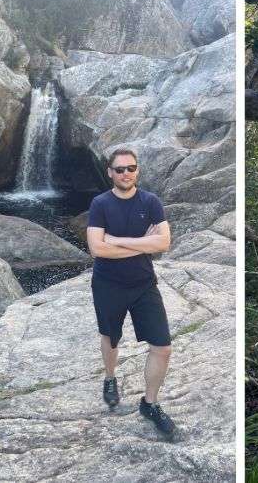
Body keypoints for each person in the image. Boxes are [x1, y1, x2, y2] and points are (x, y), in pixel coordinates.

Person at [85, 148, 175, 437]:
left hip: (143, 284)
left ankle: (150, 403)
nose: (126, 173)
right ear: (110, 172)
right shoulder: (100, 203)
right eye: (120, 169)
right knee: (111, 338)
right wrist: (141, 243)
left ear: (137, 170)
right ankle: (110, 378)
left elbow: (163, 244)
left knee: (162, 346)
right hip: (107, 284)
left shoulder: (151, 202)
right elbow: (97, 248)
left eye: (131, 168)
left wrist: (119, 241)